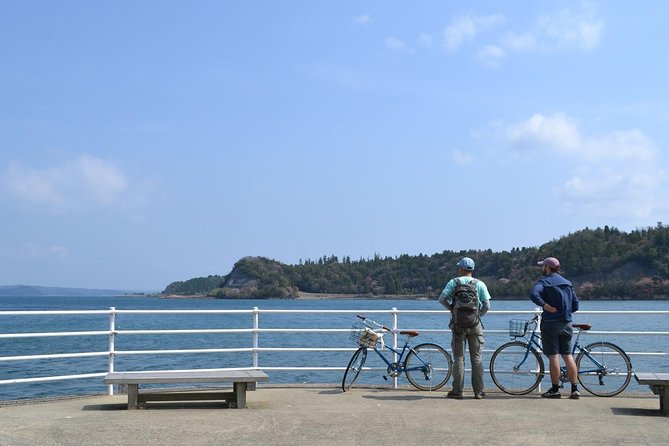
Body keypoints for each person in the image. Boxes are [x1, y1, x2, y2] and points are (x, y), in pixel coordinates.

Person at [438, 257, 491, 399]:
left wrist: (451, 309)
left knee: (459, 359)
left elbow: (441, 299)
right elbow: (487, 305)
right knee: (477, 359)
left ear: (461, 268)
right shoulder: (480, 284)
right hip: (475, 325)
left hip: (458, 325)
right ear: (471, 270)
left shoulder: (453, 282)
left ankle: (457, 391)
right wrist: (477, 315)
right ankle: (479, 392)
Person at [530, 256, 580, 399]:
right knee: (568, 355)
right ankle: (575, 389)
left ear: (547, 267)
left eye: (543, 266)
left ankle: (555, 389)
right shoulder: (567, 283)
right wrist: (565, 312)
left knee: (553, 357)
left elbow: (534, 294)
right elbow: (576, 305)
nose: (542, 268)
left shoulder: (544, 282)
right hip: (566, 323)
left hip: (551, 324)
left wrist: (545, 305)